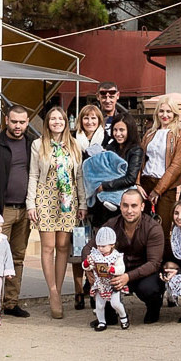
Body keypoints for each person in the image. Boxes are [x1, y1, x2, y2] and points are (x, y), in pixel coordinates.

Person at [0, 103, 36, 318]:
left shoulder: (33, 144)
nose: (18, 126)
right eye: (14, 121)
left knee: (17, 257)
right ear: (6, 120)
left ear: (27, 122)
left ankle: (11, 303)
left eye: (22, 122)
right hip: (0, 210)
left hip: (25, 209)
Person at [26, 102, 80, 320]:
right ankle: (54, 292)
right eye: (53, 119)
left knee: (63, 246)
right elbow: (33, 175)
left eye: (60, 119)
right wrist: (31, 203)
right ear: (48, 123)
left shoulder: (74, 144)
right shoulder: (39, 145)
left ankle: (57, 285)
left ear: (66, 123)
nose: (57, 122)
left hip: (68, 200)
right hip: (46, 198)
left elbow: (80, 177)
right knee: (48, 247)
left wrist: (83, 203)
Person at [107, 186, 167, 324]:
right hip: (118, 271)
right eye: (125, 205)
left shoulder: (153, 228)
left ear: (142, 206)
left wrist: (128, 277)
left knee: (149, 289)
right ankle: (108, 315)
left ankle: (154, 306)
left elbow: (154, 263)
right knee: (100, 286)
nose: (129, 210)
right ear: (120, 206)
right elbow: (89, 247)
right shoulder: (111, 225)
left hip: (145, 274)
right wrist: (90, 270)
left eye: (134, 206)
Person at [71, 100, 109, 306]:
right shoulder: (73, 141)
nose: (89, 121)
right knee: (78, 246)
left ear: (99, 120)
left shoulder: (107, 140)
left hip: (100, 201)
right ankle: (78, 291)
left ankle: (96, 286)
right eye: (86, 117)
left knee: (98, 245)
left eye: (93, 117)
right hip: (78, 199)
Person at [138, 99, 181, 222]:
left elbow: (177, 166)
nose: (164, 115)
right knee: (143, 225)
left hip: (166, 187)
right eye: (161, 111)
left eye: (168, 111)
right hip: (145, 183)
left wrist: (158, 190)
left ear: (175, 114)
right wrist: (137, 183)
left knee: (163, 226)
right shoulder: (149, 134)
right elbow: (139, 160)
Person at [89, 117, 139, 235]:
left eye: (122, 130)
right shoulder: (110, 148)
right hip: (103, 200)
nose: (118, 134)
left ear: (129, 131)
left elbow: (131, 178)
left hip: (122, 196)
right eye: (115, 130)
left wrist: (105, 186)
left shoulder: (135, 150)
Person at [83, 226, 128, 332]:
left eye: (103, 246)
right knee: (99, 305)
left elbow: (122, 268)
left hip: (113, 284)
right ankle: (101, 321)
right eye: (98, 246)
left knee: (115, 303)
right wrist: (87, 263)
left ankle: (124, 318)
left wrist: (113, 269)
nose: (100, 248)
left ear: (112, 244)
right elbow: (87, 266)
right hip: (100, 284)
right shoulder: (95, 254)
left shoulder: (116, 256)